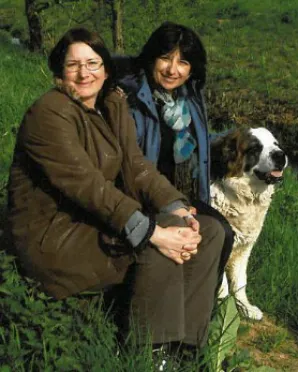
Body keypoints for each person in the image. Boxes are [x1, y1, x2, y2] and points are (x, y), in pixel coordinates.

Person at [8, 27, 225, 368]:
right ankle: (149, 353)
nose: (84, 73)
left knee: (208, 230)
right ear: (58, 71)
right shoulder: (49, 113)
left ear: (106, 69)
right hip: (57, 235)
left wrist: (178, 207)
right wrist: (154, 230)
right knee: (158, 241)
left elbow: (137, 167)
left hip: (93, 220)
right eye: (73, 65)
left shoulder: (111, 103)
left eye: (93, 63)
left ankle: (186, 347)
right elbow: (88, 187)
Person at [115, 21, 234, 291]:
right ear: (151, 57)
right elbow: (130, 161)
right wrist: (169, 204)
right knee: (193, 235)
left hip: (186, 192)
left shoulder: (189, 96)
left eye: (183, 62)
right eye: (166, 58)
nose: (173, 69)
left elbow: (199, 145)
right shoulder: (130, 98)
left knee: (222, 232)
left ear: (193, 68)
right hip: (146, 195)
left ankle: (201, 302)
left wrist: (237, 140)